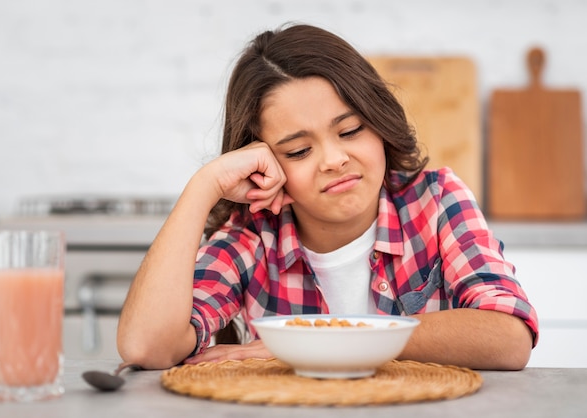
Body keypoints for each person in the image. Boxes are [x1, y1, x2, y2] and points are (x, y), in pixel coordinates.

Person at [117, 23, 538, 371]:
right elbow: (147, 348)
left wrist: (324, 341)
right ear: (264, 163)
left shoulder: (436, 200)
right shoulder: (252, 236)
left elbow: (508, 338)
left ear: (378, 121)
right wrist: (204, 186)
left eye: (350, 130)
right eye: (299, 151)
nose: (334, 160)